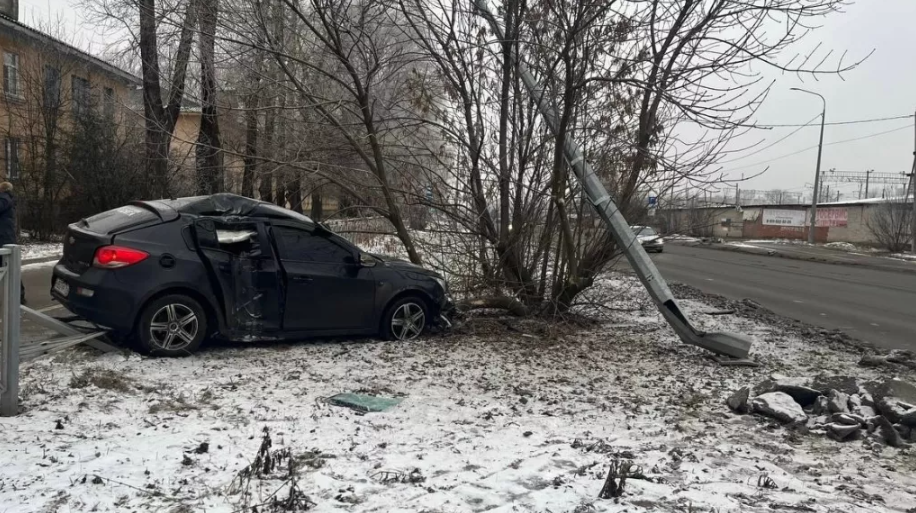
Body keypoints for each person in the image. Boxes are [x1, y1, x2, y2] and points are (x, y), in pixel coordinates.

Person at [0, 181, 25, 304]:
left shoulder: (4, 198)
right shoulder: (9, 199)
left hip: (3, 239)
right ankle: (19, 295)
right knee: (9, 268)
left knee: (8, 268)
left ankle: (18, 295)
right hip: (6, 238)